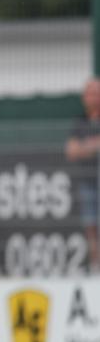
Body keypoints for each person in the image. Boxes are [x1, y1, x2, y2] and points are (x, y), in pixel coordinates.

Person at [65, 79, 100, 272]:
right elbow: (71, 150)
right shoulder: (80, 122)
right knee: (91, 225)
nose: (93, 97)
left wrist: (85, 146)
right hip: (88, 181)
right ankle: (96, 266)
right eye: (89, 92)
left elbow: (80, 148)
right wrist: (94, 145)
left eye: (96, 92)